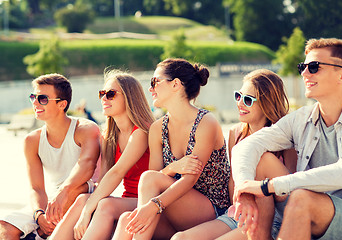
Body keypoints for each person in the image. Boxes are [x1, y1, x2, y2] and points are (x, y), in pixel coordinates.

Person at [231, 38, 342, 240]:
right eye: (303, 67)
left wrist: (268, 186)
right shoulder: (301, 118)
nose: (304, 73)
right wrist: (245, 190)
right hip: (302, 203)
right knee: (262, 159)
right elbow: (246, 146)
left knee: (301, 197)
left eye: (314, 67)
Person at [112, 58, 231, 240]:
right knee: (126, 221)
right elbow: (156, 175)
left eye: (155, 82)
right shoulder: (157, 128)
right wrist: (172, 168)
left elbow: (188, 180)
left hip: (210, 211)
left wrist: (153, 206)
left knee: (148, 182)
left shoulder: (206, 122)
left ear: (175, 84)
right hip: (171, 207)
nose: (150, 88)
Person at [171, 69, 297, 240]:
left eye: (247, 100)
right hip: (238, 214)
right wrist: (240, 207)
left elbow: (287, 192)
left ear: (267, 103)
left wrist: (259, 192)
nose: (240, 103)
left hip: (274, 219)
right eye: (238, 96)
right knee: (180, 238)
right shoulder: (235, 133)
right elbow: (233, 180)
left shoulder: (285, 136)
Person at [49, 70, 155, 240]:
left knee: (103, 204)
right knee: (84, 199)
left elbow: (117, 172)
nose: (104, 99)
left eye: (111, 94)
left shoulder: (142, 132)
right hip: (126, 200)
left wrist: (87, 211)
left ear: (129, 97)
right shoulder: (109, 136)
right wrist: (87, 203)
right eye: (102, 94)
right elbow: (105, 177)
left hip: (147, 202)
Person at [0, 73, 101, 240]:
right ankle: (40, 233)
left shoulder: (84, 129)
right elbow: (36, 188)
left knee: (76, 190)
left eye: (43, 99)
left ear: (62, 104)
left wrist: (64, 191)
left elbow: (87, 166)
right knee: (5, 227)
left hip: (85, 192)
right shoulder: (31, 140)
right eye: (33, 97)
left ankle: (39, 235)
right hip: (53, 199)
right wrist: (38, 214)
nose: (35, 102)